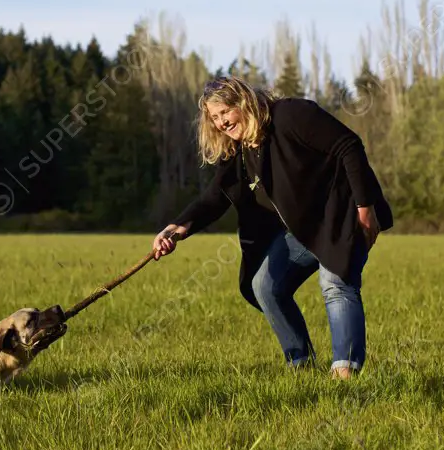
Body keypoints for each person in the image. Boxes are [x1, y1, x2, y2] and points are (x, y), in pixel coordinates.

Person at [151, 75, 393, 379]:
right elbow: (215, 197)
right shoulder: (239, 151)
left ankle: (346, 371)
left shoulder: (291, 115)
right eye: (214, 118)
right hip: (303, 228)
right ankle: (300, 364)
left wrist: (364, 207)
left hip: (342, 212)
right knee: (265, 286)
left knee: (336, 283)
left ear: (243, 101)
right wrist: (177, 227)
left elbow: (349, 146)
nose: (222, 122)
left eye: (225, 112)